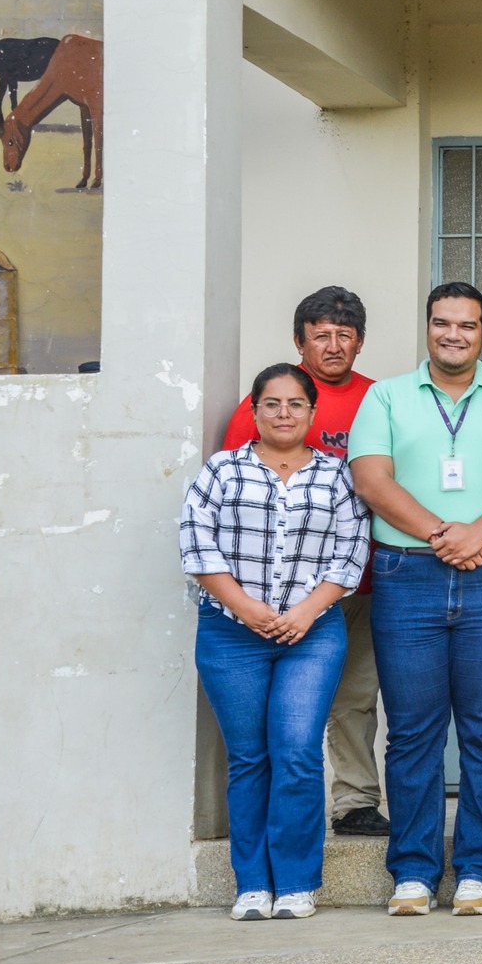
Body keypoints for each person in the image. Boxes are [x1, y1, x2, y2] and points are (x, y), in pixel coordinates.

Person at [348, 282, 482, 918]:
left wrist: (478, 532)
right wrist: (445, 534)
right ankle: (413, 871)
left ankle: (477, 871)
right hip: (407, 574)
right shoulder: (386, 396)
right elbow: (371, 480)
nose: (454, 335)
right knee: (412, 731)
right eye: (443, 323)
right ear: (428, 328)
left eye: (467, 326)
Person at [181, 364, 369, 921]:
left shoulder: (337, 476)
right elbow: (197, 546)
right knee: (249, 757)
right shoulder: (222, 470)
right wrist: (249, 610)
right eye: (272, 403)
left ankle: (296, 882)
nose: (284, 413)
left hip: (312, 634)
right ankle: (253, 884)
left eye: (295, 404)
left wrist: (304, 612)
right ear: (255, 411)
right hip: (231, 634)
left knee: (296, 751)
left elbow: (351, 553)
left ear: (312, 412)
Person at [219, 286, 387, 838]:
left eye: (345, 336)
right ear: (299, 341)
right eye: (321, 336)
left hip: (359, 579)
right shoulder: (268, 402)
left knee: (355, 695)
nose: (333, 346)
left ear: (360, 342)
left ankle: (356, 800)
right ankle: (277, 813)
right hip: (271, 593)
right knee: (277, 712)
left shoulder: (380, 399)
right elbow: (233, 492)